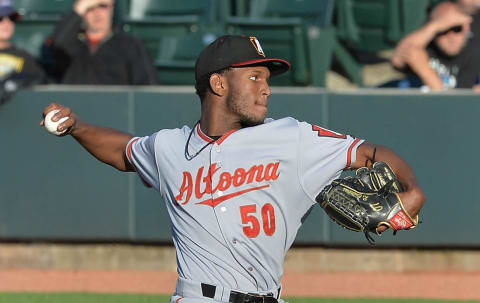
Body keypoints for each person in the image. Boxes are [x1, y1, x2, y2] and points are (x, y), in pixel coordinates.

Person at [41, 35, 426, 303]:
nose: (267, 88)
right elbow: (124, 152)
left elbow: (370, 152)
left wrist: (412, 190)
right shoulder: (169, 147)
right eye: (255, 76)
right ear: (218, 83)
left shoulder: (292, 138)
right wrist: (77, 127)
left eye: (268, 79)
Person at [47, 0, 158, 85]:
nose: (97, 13)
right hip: (76, 109)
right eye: (90, 8)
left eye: (103, 6)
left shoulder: (131, 45)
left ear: (112, 9)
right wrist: (79, 8)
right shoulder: (72, 45)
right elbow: (57, 44)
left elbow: (149, 88)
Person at [390, 1, 480, 90]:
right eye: (443, 30)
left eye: (457, 29)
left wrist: (425, 70)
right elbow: (397, 60)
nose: (451, 37)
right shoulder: (427, 46)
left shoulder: (473, 52)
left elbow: (455, 101)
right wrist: (435, 26)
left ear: (466, 28)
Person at [0, 0, 46, 104]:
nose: (7, 23)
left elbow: (40, 79)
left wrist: (18, 81)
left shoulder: (25, 57)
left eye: (12, 18)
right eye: (0, 18)